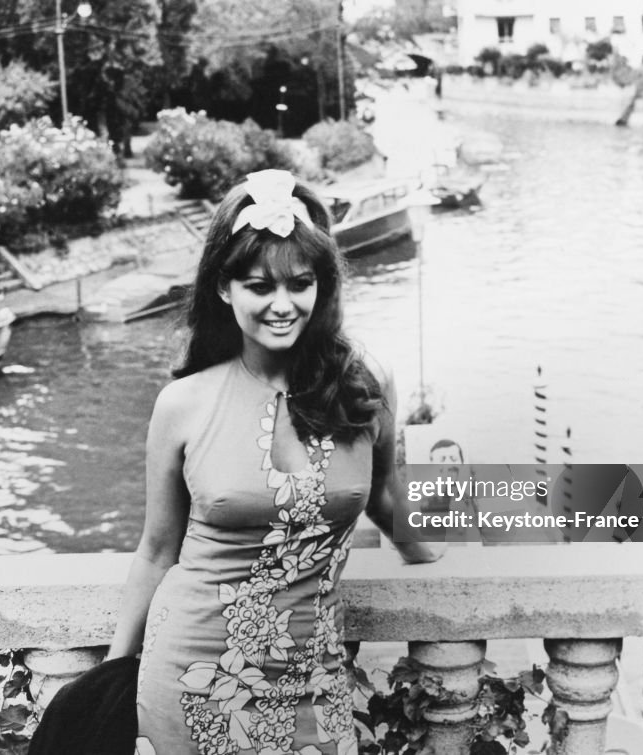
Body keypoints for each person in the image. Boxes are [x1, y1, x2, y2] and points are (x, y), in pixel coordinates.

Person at [106, 169, 441, 755]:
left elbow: (384, 494)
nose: (283, 305)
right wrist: (108, 674)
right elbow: (157, 549)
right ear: (223, 289)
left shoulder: (365, 385)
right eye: (260, 287)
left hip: (315, 677)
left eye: (300, 283)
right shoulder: (182, 405)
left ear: (321, 286)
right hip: (193, 677)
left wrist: (432, 555)